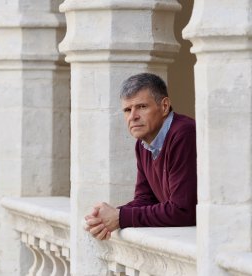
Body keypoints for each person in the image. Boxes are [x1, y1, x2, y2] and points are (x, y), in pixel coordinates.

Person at [84, 73, 197, 240]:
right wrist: (108, 217)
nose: (133, 116)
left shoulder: (183, 134)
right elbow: (146, 199)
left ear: (164, 106)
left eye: (142, 107)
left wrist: (121, 217)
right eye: (127, 110)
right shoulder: (143, 144)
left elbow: (183, 210)